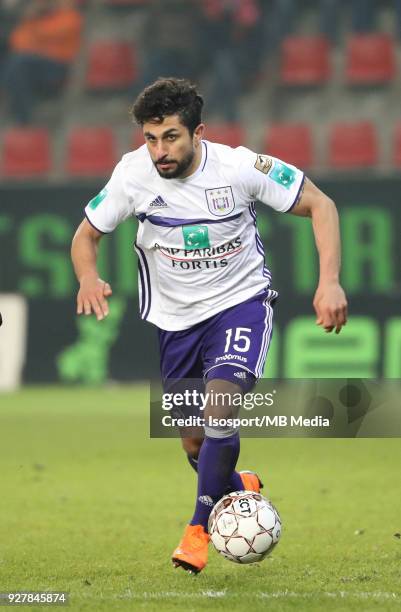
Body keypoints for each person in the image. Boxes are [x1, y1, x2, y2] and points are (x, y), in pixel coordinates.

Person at [71, 77, 348, 574]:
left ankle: (198, 528)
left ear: (198, 131)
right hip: (175, 322)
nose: (160, 150)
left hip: (241, 303)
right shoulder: (132, 175)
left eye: (171, 137)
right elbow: (86, 235)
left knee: (221, 406)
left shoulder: (240, 167)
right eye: (151, 138)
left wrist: (329, 282)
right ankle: (238, 488)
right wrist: (88, 277)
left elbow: (320, 205)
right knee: (195, 442)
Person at [2, 0, 82, 124]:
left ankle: (25, 117)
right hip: (31, 65)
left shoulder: (69, 16)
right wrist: (34, 25)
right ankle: (18, 112)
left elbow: (55, 33)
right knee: (13, 64)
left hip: (57, 68)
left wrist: (34, 34)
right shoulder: (33, 19)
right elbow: (17, 41)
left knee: (19, 62)